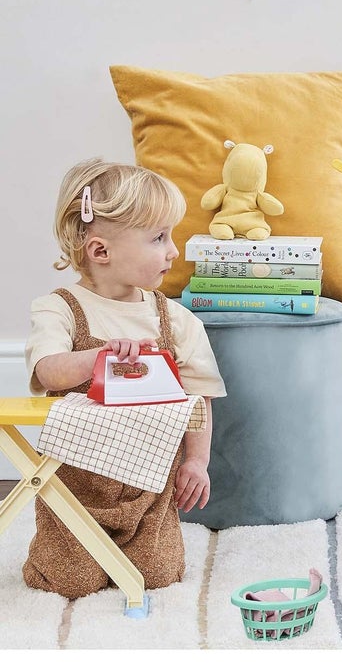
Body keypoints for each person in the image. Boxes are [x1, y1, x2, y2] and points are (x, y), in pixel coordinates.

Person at [23, 157, 226, 599]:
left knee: (159, 575)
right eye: (158, 238)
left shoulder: (177, 321)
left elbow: (200, 398)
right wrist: (97, 358)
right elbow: (46, 370)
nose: (173, 250)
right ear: (100, 251)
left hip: (150, 487)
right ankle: (58, 551)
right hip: (74, 483)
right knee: (68, 581)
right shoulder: (58, 308)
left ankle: (135, 549)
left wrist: (196, 461)